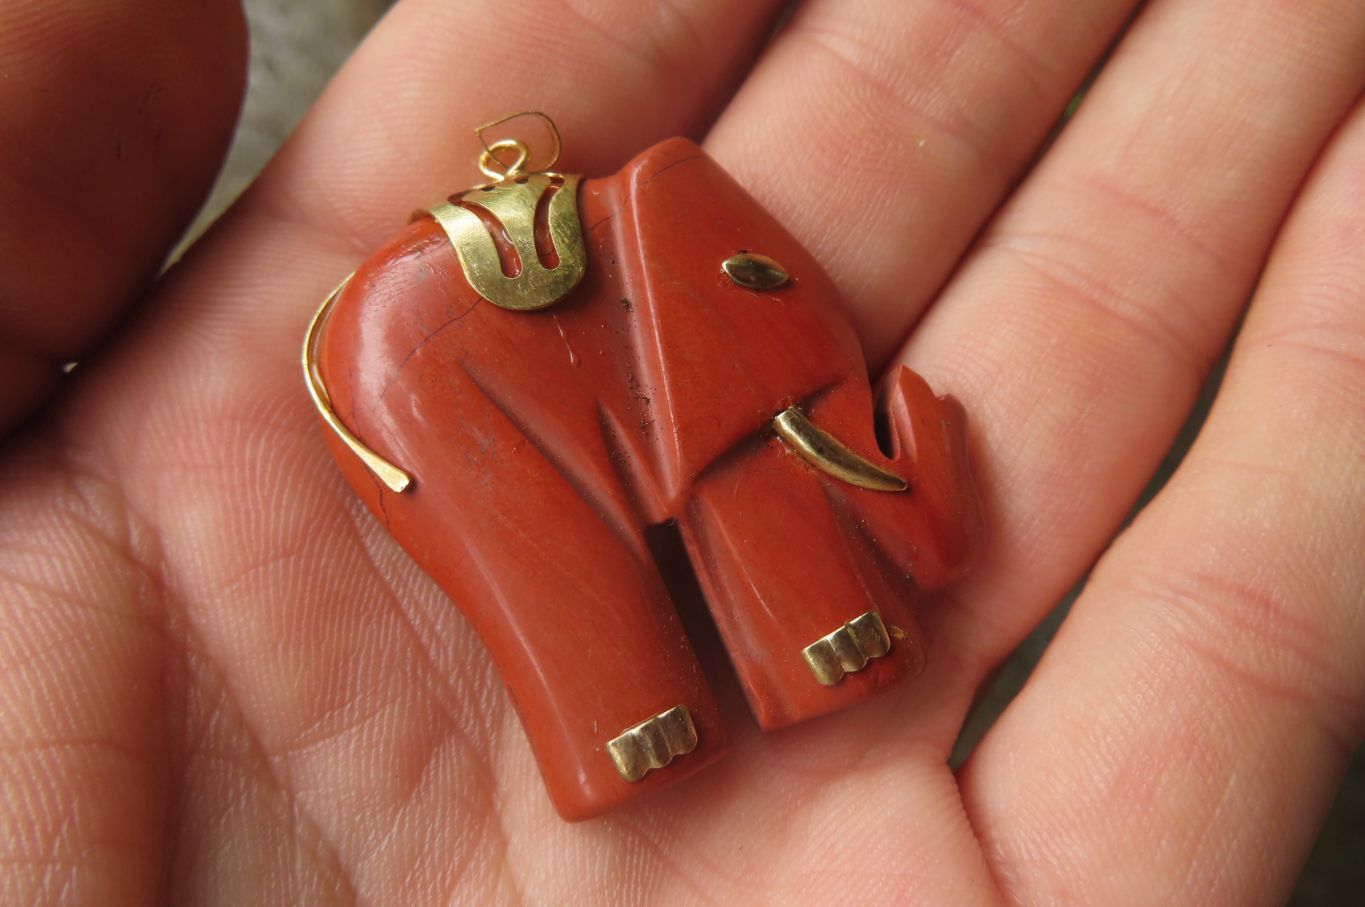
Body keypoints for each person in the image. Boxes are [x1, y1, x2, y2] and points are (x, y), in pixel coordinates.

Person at [0, 1, 1360, 903]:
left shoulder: (686, 270)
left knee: (723, 481)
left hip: (530, 361)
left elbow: (741, 356)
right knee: (571, 571)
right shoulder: (642, 291)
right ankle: (634, 729)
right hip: (444, 385)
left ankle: (703, 705)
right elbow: (747, 359)